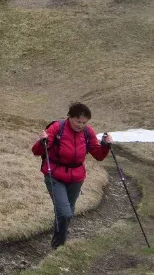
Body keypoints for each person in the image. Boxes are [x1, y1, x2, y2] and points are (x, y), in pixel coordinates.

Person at [30, 102, 112, 249]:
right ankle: (59, 245)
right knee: (65, 212)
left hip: (76, 178)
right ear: (69, 117)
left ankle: (58, 238)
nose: (81, 125)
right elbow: (37, 151)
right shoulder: (56, 128)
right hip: (54, 175)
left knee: (67, 211)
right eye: (77, 121)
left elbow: (98, 155)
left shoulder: (88, 133)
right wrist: (42, 142)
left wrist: (105, 145)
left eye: (84, 122)